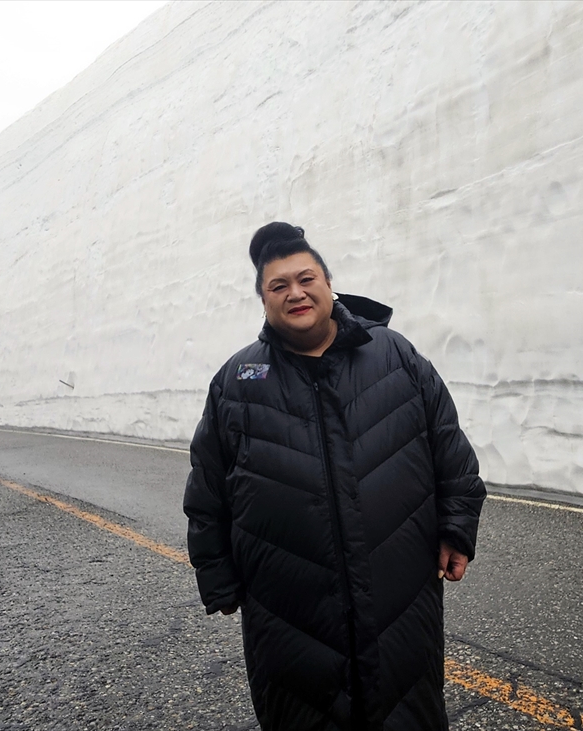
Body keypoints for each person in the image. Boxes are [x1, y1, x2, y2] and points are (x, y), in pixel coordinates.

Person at [183, 222, 486, 731]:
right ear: (263, 301)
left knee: (404, 705)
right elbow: (207, 488)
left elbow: (449, 449)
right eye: (278, 286)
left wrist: (457, 528)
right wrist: (218, 577)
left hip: (398, 592)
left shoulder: (395, 355)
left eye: (306, 278)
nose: (295, 293)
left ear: (328, 284)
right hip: (287, 607)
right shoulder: (237, 380)